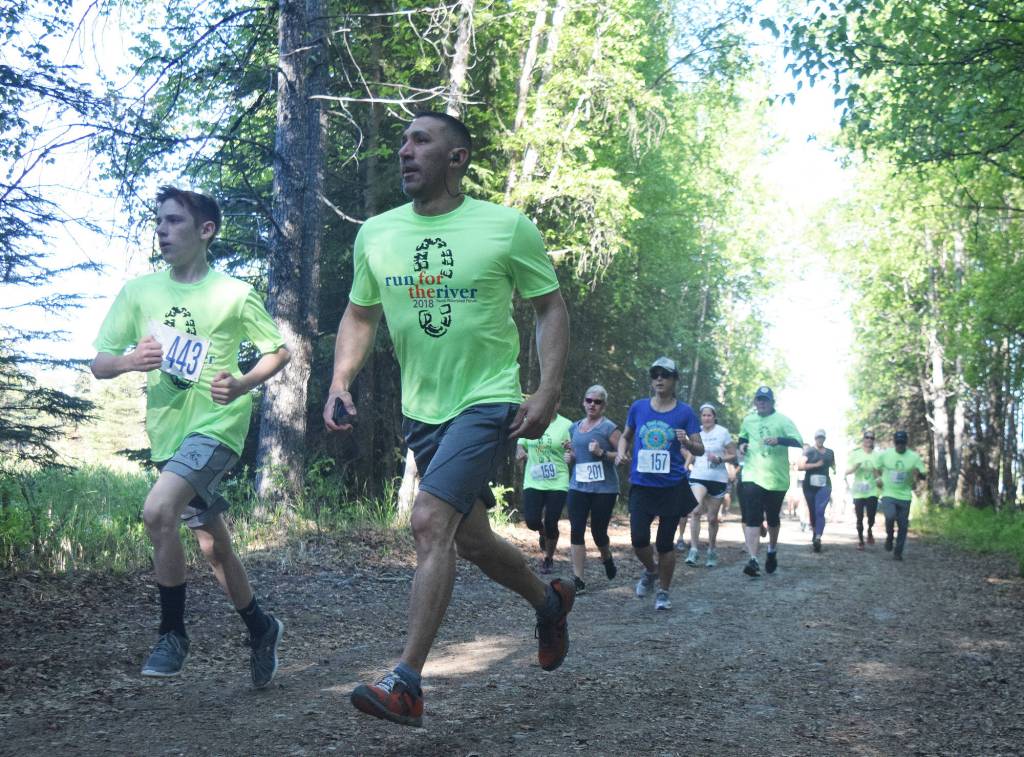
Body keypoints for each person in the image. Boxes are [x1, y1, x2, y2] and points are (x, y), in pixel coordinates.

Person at [323, 112, 573, 727]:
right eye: (403, 142)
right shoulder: (377, 234)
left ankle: (405, 681)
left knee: (430, 521)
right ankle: (549, 599)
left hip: (486, 398)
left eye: (421, 141)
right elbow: (360, 315)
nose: (405, 151)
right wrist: (339, 380)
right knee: (470, 537)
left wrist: (545, 392)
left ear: (457, 158)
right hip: (422, 408)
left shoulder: (504, 227)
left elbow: (549, 307)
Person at [90, 186, 291, 685]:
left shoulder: (233, 293)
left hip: (217, 426)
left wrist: (243, 381)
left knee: (159, 510)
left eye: (175, 221)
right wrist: (128, 361)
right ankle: (261, 626)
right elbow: (99, 364)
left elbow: (278, 351)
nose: (162, 229)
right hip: (168, 432)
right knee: (212, 545)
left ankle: (173, 634)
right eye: (159, 221)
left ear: (206, 231)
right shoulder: (139, 292)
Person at [616, 358, 703, 610]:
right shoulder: (639, 407)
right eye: (655, 375)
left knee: (665, 544)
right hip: (643, 485)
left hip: (672, 486)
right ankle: (651, 571)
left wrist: (686, 441)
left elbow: (700, 447)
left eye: (665, 375)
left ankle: (664, 592)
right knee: (639, 539)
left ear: (675, 380)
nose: (659, 379)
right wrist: (621, 452)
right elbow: (625, 436)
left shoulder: (685, 412)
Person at [736, 386, 802, 577]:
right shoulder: (748, 420)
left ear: (772, 402)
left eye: (765, 400)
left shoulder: (783, 420)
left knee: (772, 518)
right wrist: (742, 446)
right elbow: (742, 438)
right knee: (752, 517)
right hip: (752, 475)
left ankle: (772, 550)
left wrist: (779, 440)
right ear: (755, 402)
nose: (762, 403)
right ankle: (753, 559)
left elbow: (798, 440)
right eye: (759, 400)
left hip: (776, 479)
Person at [563, 385, 621, 594]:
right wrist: (569, 458)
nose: (592, 405)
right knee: (576, 530)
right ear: (584, 402)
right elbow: (574, 454)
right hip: (578, 486)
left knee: (598, 533)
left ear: (603, 405)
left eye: (597, 402)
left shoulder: (609, 428)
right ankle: (578, 579)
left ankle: (606, 558)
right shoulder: (574, 428)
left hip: (604, 490)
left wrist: (602, 453)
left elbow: (624, 456)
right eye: (589, 400)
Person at [516, 411, 573, 574]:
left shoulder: (566, 425)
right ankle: (542, 532)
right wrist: (520, 451)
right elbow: (521, 443)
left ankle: (548, 558)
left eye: (553, 401)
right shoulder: (532, 420)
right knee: (532, 521)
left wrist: (571, 455)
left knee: (551, 521)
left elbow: (573, 449)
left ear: (557, 404)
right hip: (534, 479)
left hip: (558, 480)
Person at [684, 403, 737, 568]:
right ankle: (693, 550)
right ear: (701, 417)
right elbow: (691, 451)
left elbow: (733, 454)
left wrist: (720, 459)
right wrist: (686, 466)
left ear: (714, 417)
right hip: (699, 475)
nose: (706, 418)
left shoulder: (722, 432)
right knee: (695, 511)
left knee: (712, 518)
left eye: (709, 415)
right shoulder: (695, 432)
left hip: (718, 478)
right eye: (704, 415)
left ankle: (712, 550)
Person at [874, 431, 927, 560]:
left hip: (904, 495)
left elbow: (923, 473)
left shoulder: (913, 457)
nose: (900, 445)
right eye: (898, 443)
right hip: (888, 493)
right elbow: (875, 467)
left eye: (902, 443)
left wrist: (918, 474)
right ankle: (890, 536)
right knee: (890, 517)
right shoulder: (886, 455)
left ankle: (898, 552)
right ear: (894, 443)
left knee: (903, 525)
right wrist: (878, 479)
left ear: (906, 443)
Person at [798, 429, 836, 553]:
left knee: (820, 511)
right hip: (809, 485)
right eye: (818, 438)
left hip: (824, 485)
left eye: (822, 438)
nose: (820, 440)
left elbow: (833, 465)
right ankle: (815, 532)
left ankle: (818, 537)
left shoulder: (830, 452)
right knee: (813, 511)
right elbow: (800, 466)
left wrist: (835, 469)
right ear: (815, 438)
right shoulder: (808, 451)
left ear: (824, 439)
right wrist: (815, 465)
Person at [846, 430, 880, 550]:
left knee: (871, 516)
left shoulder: (877, 456)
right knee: (859, 517)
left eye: (872, 438)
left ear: (873, 440)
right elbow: (846, 471)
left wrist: (878, 475)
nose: (869, 440)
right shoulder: (855, 454)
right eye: (867, 437)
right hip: (858, 491)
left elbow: (880, 474)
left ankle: (870, 529)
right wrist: (855, 467)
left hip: (872, 490)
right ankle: (860, 540)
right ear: (863, 439)